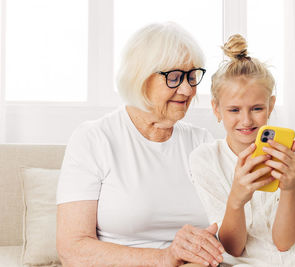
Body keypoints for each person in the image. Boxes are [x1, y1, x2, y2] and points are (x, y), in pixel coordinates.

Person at [56, 22, 225, 267]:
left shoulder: (201, 142)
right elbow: (73, 249)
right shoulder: (93, 138)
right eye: (175, 77)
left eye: (192, 76)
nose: (188, 90)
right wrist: (165, 258)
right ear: (139, 77)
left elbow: (227, 229)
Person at [189, 34, 295, 266]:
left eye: (257, 108)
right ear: (216, 109)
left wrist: (290, 187)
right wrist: (236, 199)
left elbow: (284, 243)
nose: (246, 120)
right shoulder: (205, 160)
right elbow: (233, 248)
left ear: (271, 105)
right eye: (233, 110)